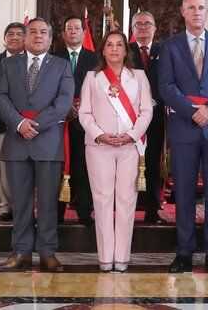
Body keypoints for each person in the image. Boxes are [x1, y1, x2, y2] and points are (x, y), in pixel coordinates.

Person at [158, 0, 208, 273]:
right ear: (182, 11)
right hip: (184, 127)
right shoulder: (170, 46)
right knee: (184, 193)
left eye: (201, 7)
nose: (196, 12)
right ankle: (184, 252)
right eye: (191, 7)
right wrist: (192, 111)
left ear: (207, 12)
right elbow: (166, 86)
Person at [0, 18, 75, 272]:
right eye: (33, 32)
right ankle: (21, 252)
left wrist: (35, 125)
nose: (38, 36)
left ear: (50, 39)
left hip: (48, 143)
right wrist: (19, 123)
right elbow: (0, 97)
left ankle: (47, 252)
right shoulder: (8, 64)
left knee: (49, 203)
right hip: (17, 142)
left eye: (43, 32)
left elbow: (64, 103)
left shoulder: (62, 65)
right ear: (25, 36)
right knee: (20, 203)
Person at [78, 30, 154, 272]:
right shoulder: (93, 77)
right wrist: (99, 134)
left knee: (126, 200)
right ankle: (105, 257)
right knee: (102, 200)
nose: (114, 49)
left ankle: (121, 257)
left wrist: (132, 134)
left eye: (119, 45)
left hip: (129, 146)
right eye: (109, 45)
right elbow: (84, 113)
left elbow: (146, 111)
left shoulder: (138, 76)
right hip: (99, 146)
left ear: (125, 50)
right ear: (102, 50)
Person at [55, 16, 98, 225]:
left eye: (77, 28)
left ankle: (84, 211)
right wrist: (64, 107)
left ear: (84, 33)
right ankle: (57, 213)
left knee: (84, 166)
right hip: (58, 121)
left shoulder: (95, 58)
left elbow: (99, 88)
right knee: (57, 168)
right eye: (69, 28)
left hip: (86, 121)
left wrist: (84, 107)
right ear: (64, 34)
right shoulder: (53, 57)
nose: (73, 31)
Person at [0, 21, 26, 222]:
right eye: (10, 34)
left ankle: (23, 206)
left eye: (19, 34)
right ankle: (3, 206)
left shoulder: (33, 61)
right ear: (4, 38)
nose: (14, 37)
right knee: (0, 166)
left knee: (24, 168)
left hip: (26, 124)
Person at [129, 10, 165, 224]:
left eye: (147, 24)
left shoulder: (165, 50)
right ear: (132, 29)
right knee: (128, 162)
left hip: (158, 117)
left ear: (155, 28)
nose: (143, 28)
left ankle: (152, 209)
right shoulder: (125, 51)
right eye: (138, 24)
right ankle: (127, 207)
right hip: (129, 118)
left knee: (152, 162)